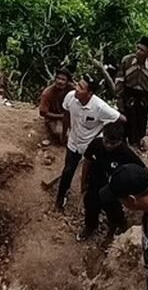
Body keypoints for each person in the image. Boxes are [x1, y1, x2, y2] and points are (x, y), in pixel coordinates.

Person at [56, 76, 124, 210]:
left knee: (92, 175)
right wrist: (64, 133)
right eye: (77, 84)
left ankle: (90, 201)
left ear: (90, 93)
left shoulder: (99, 107)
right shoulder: (70, 97)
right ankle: (61, 197)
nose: (76, 88)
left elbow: (121, 119)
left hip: (91, 145)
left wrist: (106, 135)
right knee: (68, 170)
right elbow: (66, 115)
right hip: (74, 141)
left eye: (81, 87)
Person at [77, 122, 136, 241]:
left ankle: (116, 228)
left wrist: (127, 189)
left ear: (120, 141)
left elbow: (138, 170)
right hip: (95, 183)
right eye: (106, 141)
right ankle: (90, 227)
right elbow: (87, 162)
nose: (108, 145)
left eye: (113, 143)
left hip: (113, 188)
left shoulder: (126, 153)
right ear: (103, 136)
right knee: (90, 205)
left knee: (113, 210)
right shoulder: (96, 144)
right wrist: (83, 183)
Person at [115, 37, 148, 147]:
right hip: (129, 93)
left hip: (144, 95)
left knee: (141, 119)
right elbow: (120, 78)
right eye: (138, 48)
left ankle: (138, 140)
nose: (138, 52)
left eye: (142, 50)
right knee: (126, 117)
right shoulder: (127, 60)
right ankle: (124, 141)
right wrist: (119, 97)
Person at [37, 68, 74, 143]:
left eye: (63, 79)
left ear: (67, 82)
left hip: (69, 116)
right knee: (62, 133)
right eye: (58, 78)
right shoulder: (47, 93)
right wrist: (61, 116)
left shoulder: (72, 89)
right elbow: (43, 113)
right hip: (54, 118)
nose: (60, 81)